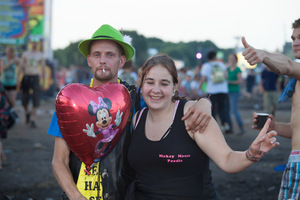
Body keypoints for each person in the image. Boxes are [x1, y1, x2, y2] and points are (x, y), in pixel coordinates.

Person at [48, 24, 213, 200]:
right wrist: (75, 196)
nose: (102, 60)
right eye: (97, 55)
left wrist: (204, 102)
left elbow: (177, 104)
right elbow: (59, 160)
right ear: (89, 60)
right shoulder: (70, 102)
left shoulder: (136, 99)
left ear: (121, 61)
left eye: (110, 55)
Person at [126, 53, 279, 199]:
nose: (156, 90)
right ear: (141, 84)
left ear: (175, 87)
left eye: (164, 83)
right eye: (150, 82)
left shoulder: (193, 115)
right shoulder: (137, 119)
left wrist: (251, 154)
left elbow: (227, 159)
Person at [242, 18, 300, 200]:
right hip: (295, 161)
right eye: (293, 38)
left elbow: (287, 66)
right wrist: (274, 125)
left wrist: (264, 55)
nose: (295, 43)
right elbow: (295, 130)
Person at [199, 51, 233, 133]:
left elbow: (203, 78)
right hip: (223, 90)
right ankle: (226, 126)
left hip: (212, 91)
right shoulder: (221, 64)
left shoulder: (206, 66)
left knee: (212, 110)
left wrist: (199, 87)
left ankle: (213, 129)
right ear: (215, 57)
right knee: (222, 109)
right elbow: (226, 76)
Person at [20, 41, 45, 128]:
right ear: (30, 43)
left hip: (35, 77)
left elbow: (43, 68)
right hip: (26, 77)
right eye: (33, 42)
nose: (34, 44)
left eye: (36, 43)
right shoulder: (25, 54)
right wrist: (18, 80)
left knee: (36, 98)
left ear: (37, 44)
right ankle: (27, 113)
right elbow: (20, 66)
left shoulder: (40, 55)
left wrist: (43, 81)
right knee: (23, 99)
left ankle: (33, 119)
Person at [227, 53, 244, 134]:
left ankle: (241, 127)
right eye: (230, 59)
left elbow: (239, 81)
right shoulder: (227, 69)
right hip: (228, 92)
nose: (231, 60)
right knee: (228, 110)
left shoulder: (237, 69)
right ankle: (230, 127)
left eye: (232, 59)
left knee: (234, 110)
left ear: (235, 60)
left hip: (234, 91)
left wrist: (229, 82)